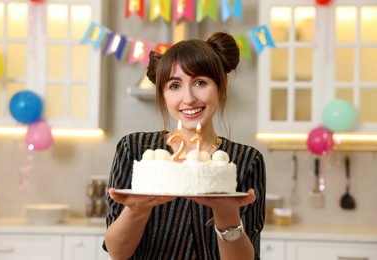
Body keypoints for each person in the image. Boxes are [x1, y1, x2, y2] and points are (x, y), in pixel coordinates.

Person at [104, 31, 266, 260]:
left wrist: (227, 214)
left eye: (200, 82)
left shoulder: (247, 160)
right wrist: (136, 210)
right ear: (163, 94)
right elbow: (117, 254)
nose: (188, 98)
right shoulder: (135, 149)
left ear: (222, 86)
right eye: (174, 85)